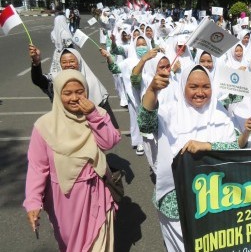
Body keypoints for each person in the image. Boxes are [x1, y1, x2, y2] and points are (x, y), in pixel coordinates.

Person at [138, 65, 238, 251]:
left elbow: (235, 150)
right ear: (183, 85)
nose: (200, 92)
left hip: (216, 200)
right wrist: (152, 90)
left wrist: (208, 147)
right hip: (176, 200)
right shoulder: (168, 113)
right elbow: (145, 123)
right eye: (193, 87)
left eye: (205, 87)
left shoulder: (221, 116)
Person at [23, 69, 121, 251]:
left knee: (99, 245)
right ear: (59, 94)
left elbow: (109, 142)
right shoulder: (44, 125)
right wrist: (33, 201)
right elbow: (37, 168)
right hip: (63, 199)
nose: (74, 98)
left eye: (80, 91)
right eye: (67, 93)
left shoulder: (97, 113)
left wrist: (92, 116)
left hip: (96, 192)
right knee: (71, 245)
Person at [28, 46, 119, 129]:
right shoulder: (55, 80)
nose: (68, 65)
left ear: (79, 62)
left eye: (72, 61)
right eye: (64, 62)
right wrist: (36, 62)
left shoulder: (92, 82)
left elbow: (104, 106)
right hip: (65, 128)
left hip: (90, 129)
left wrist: (114, 127)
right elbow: (38, 80)